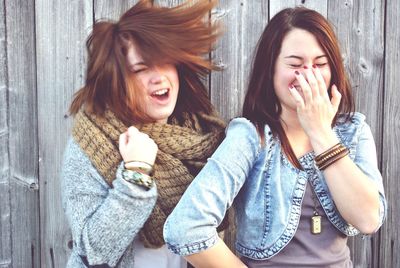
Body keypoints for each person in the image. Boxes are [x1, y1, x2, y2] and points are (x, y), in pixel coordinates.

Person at [164, 7, 387, 268]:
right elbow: (185, 227)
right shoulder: (250, 137)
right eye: (295, 64)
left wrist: (321, 132)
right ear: (270, 69)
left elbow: (369, 220)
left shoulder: (354, 131)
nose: (309, 75)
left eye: (320, 64)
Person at [60, 0, 227, 267]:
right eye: (141, 69)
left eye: (164, 63)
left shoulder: (201, 138)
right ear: (116, 81)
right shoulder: (90, 147)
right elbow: (94, 252)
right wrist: (136, 174)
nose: (159, 77)